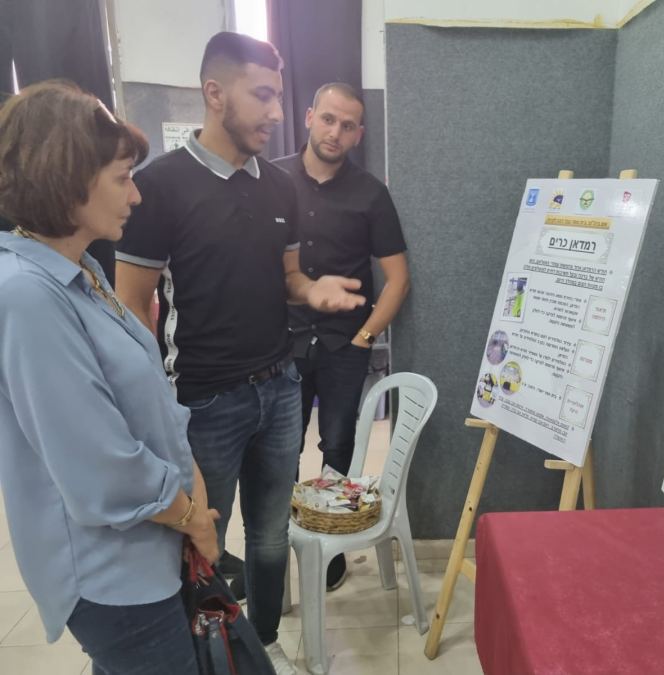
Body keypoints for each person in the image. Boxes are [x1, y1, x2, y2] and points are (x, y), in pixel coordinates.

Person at [115, 34, 363, 675]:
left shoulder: (279, 187)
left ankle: (264, 645)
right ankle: (200, 657)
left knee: (271, 533)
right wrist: (146, 408)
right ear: (215, 93)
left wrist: (314, 290)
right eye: (262, 95)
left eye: (278, 96)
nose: (276, 112)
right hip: (202, 402)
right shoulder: (158, 187)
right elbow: (130, 307)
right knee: (198, 539)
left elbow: (290, 278)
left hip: (280, 389)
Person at [0, 81, 220, 673]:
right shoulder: (27, 294)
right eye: (123, 178)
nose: (136, 195)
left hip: (149, 546)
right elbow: (99, 464)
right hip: (114, 574)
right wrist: (192, 519)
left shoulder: (80, 272)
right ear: (67, 179)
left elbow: (147, 402)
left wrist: (191, 487)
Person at [272, 82, 409, 590]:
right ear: (309, 116)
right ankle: (275, 546)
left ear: (358, 135)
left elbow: (398, 278)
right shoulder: (271, 180)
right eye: (328, 119)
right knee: (278, 449)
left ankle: (328, 547)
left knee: (338, 445)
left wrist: (365, 338)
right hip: (278, 342)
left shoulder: (371, 194)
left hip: (343, 345)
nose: (335, 132)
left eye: (347, 125)